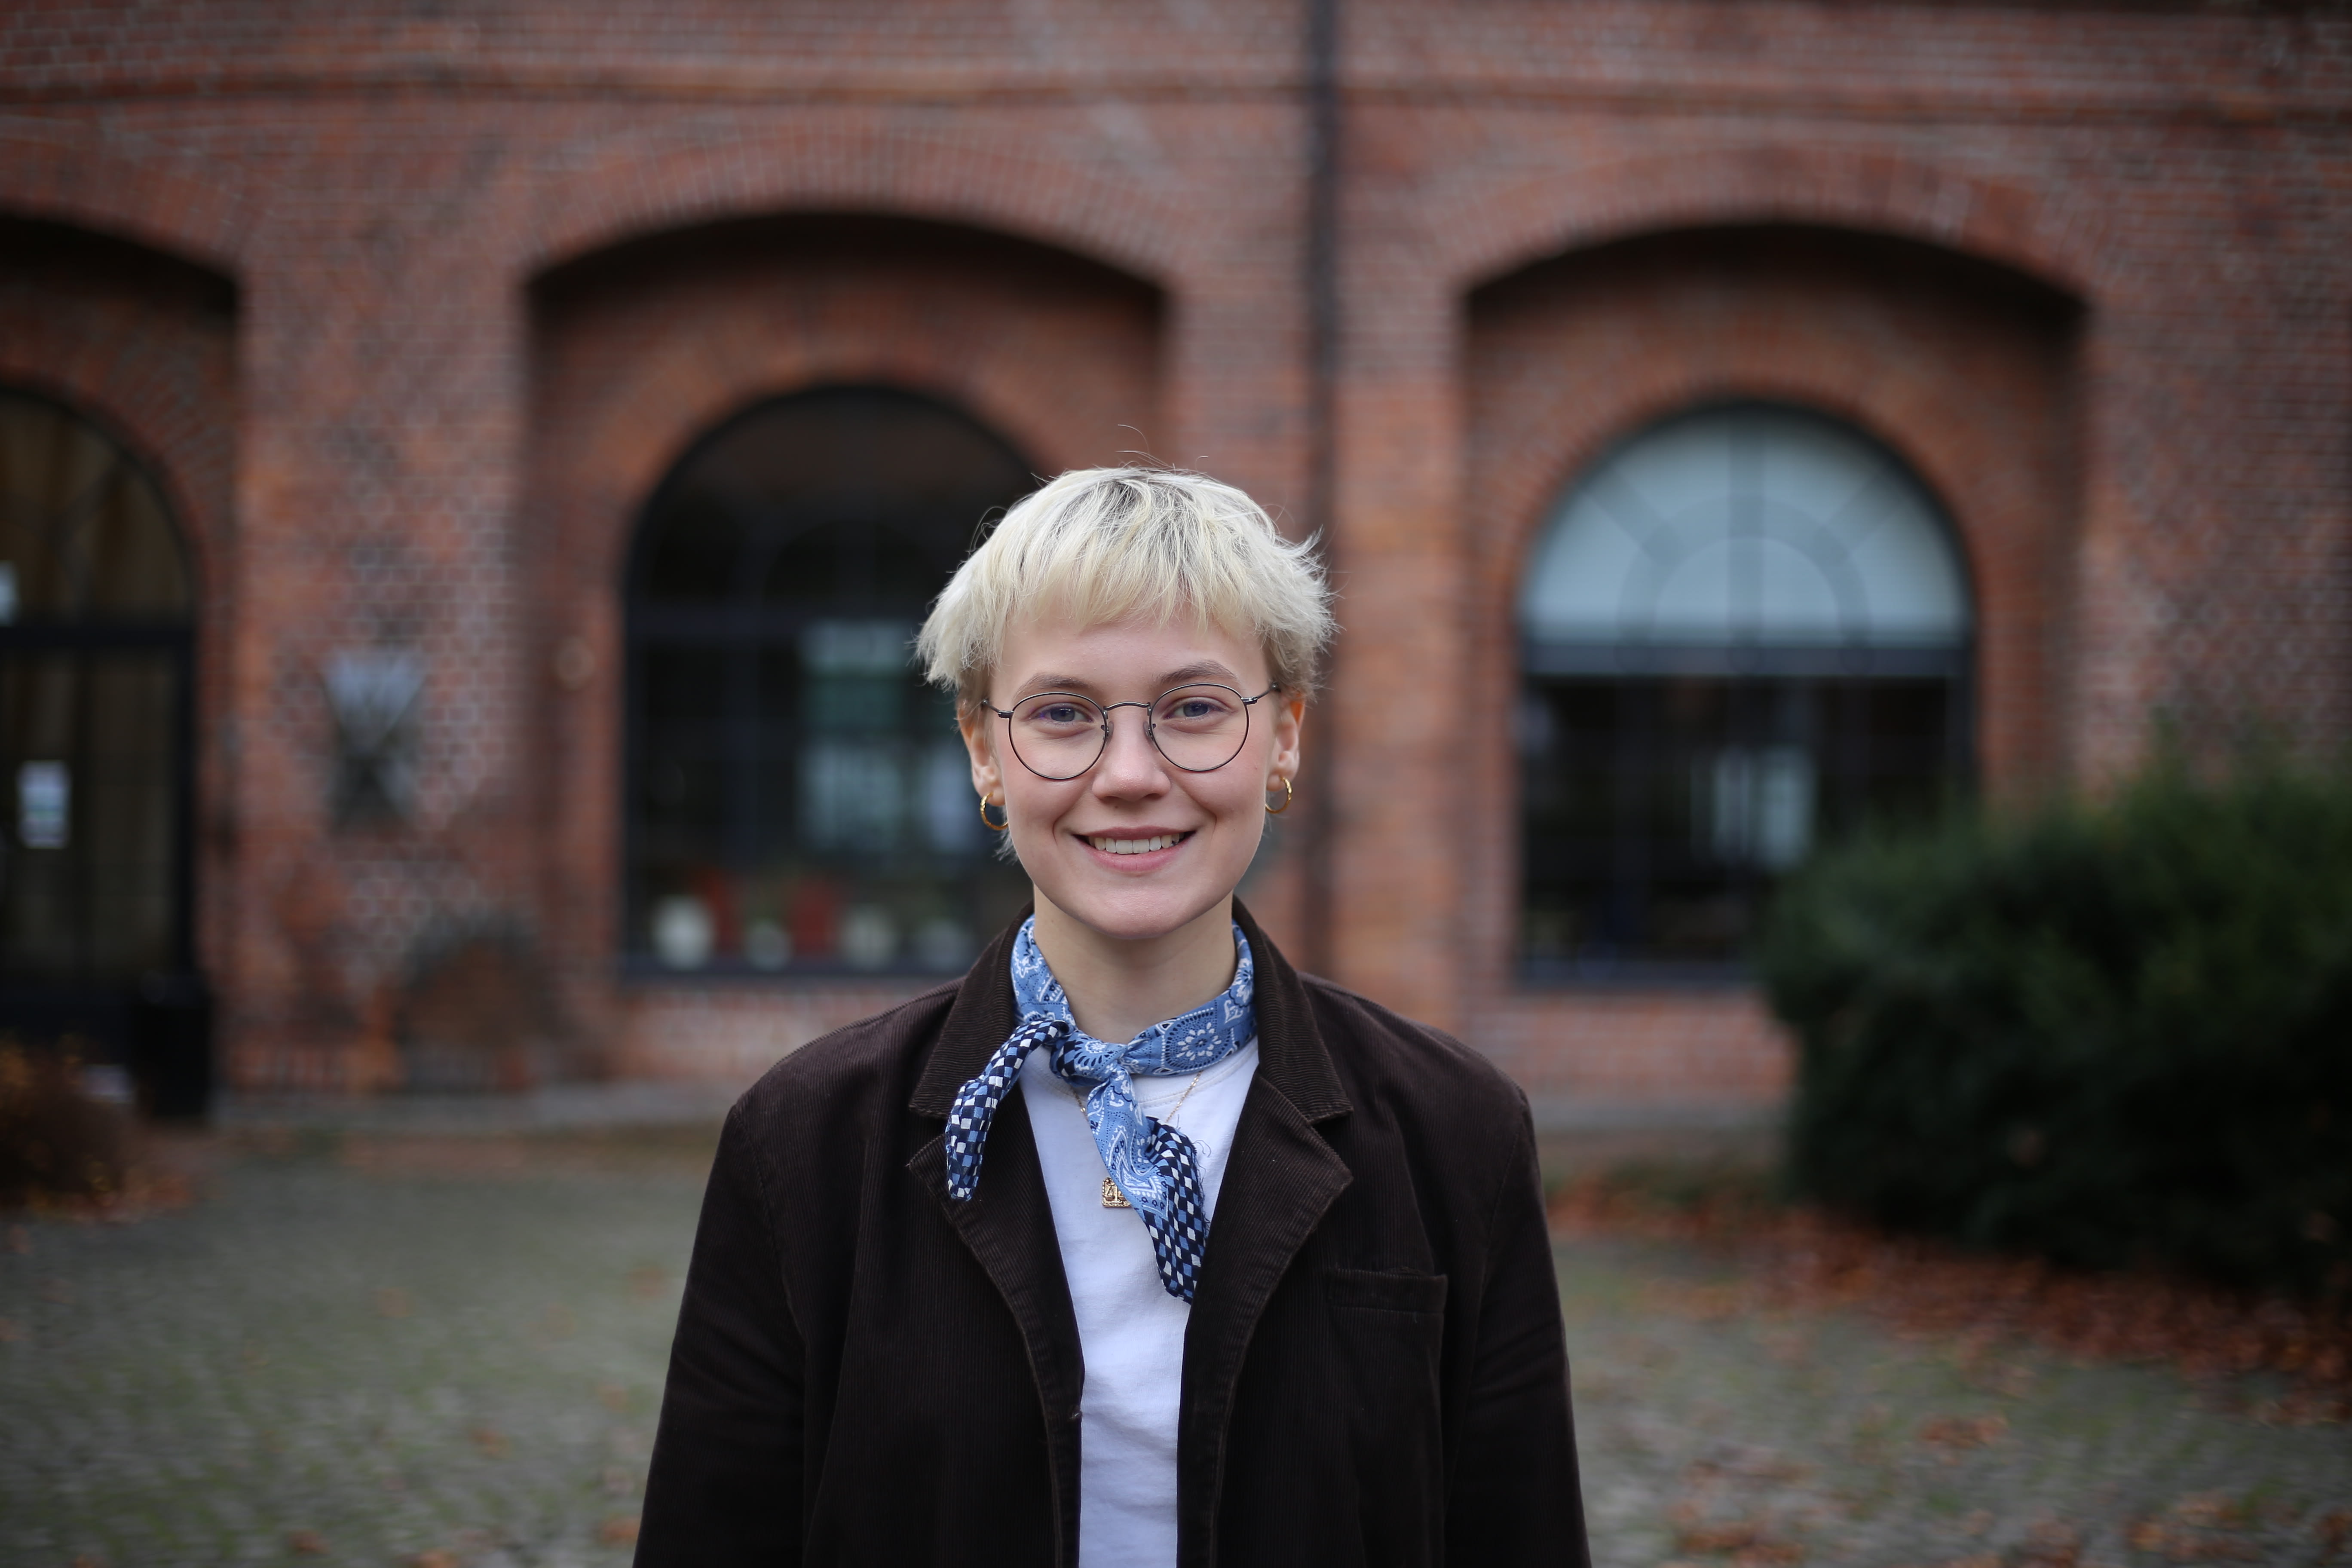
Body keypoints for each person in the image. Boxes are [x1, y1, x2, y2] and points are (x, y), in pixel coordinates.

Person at [635, 467, 1589, 1567]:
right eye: (1062, 715)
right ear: (984, 751)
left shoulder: (1456, 1131)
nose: (1130, 774)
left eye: (1194, 709)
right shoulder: (804, 1140)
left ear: (1284, 736)